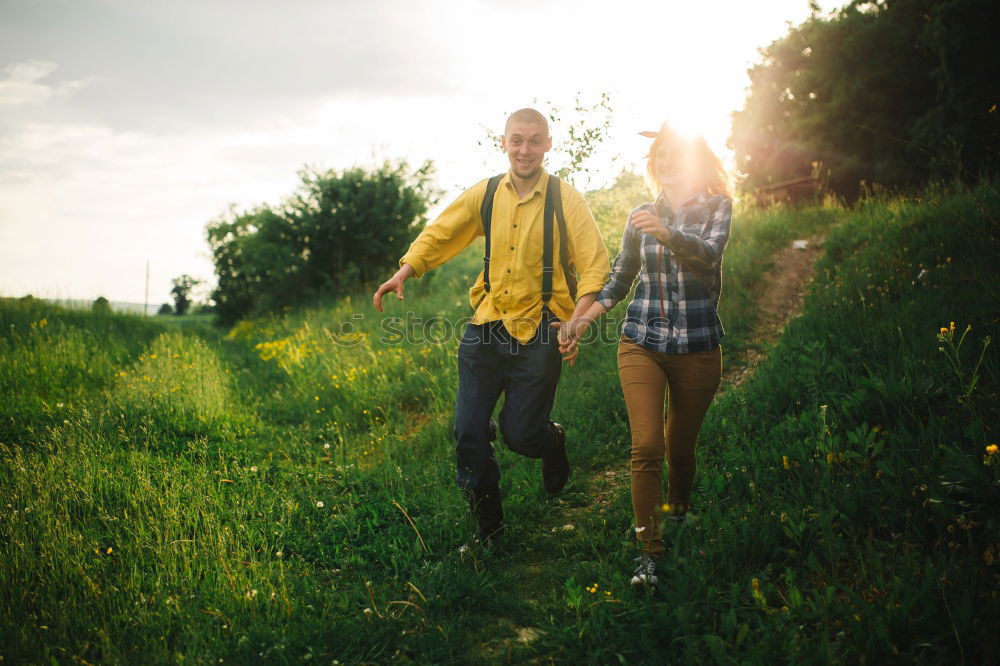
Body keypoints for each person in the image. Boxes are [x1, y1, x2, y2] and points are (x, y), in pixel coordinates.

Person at [373, 108, 610, 545]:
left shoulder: (566, 199)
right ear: (504, 142)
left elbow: (596, 266)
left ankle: (551, 441)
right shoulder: (485, 195)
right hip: (485, 328)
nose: (525, 149)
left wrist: (577, 321)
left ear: (548, 145)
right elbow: (442, 231)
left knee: (521, 435)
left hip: (541, 331)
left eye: (535, 140)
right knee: (468, 432)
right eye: (517, 139)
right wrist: (404, 271)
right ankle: (490, 530)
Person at [553, 123, 732, 585]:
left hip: (697, 346)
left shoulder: (717, 207)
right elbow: (620, 277)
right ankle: (649, 554)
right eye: (660, 156)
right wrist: (582, 320)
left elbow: (709, 256)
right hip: (642, 342)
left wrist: (669, 232)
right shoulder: (640, 215)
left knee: (680, 449)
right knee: (647, 446)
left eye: (676, 153)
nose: (667, 162)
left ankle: (679, 515)